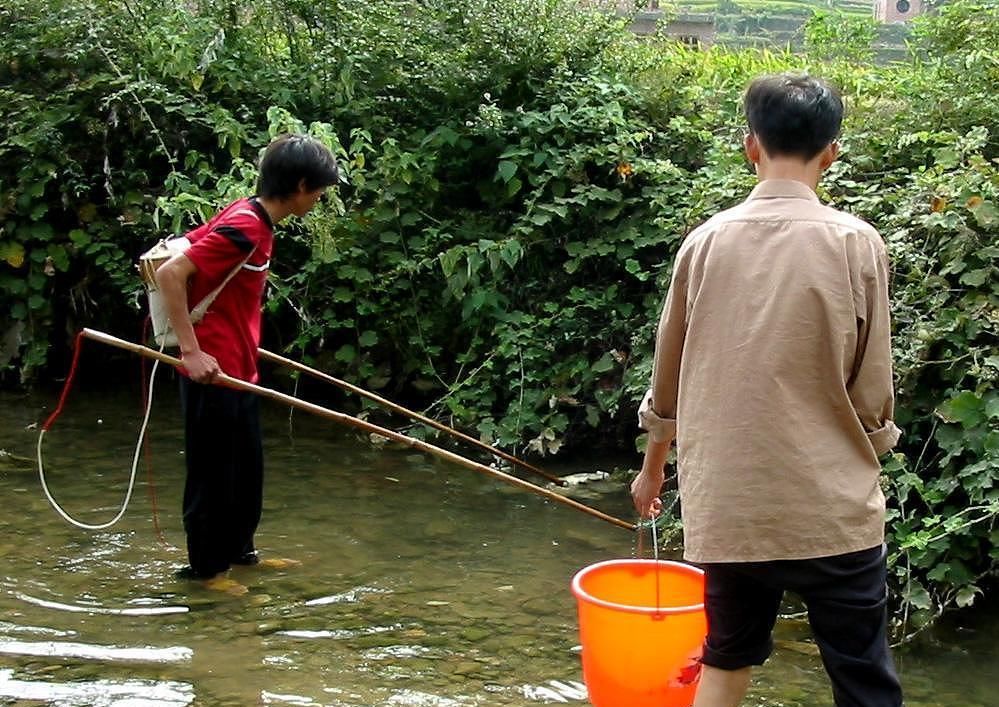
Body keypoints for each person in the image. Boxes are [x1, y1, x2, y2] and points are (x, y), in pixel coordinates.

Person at [630, 74, 904, 707]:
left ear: (750, 146)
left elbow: (667, 382)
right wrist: (864, 456)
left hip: (731, 506)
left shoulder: (704, 243)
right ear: (831, 150)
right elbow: (872, 392)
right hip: (833, 510)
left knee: (726, 661)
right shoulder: (856, 243)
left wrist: (654, 470)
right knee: (863, 677)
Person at [156, 134, 339, 594]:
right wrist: (191, 351)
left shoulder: (253, 218)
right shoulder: (244, 227)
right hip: (210, 373)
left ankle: (240, 554)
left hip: (241, 372)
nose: (319, 198)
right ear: (299, 185)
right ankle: (205, 573)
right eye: (318, 189)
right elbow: (170, 273)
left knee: (245, 473)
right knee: (212, 478)